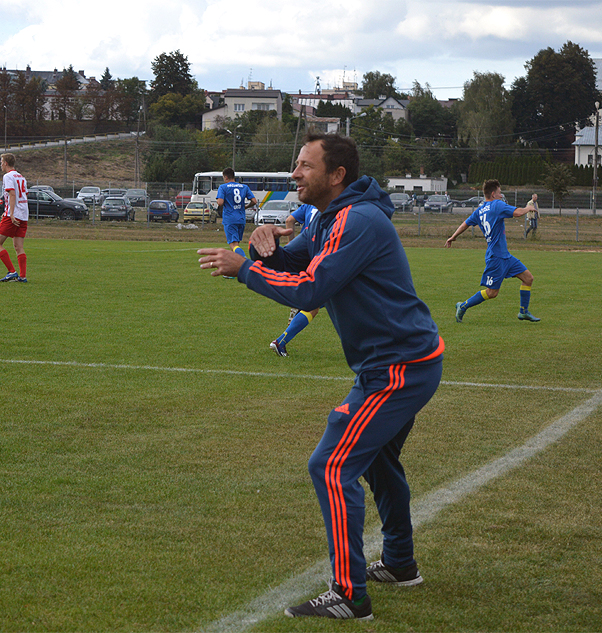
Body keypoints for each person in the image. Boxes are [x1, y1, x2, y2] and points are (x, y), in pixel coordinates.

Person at [198, 132, 443, 620]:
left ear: (337, 176)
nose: (295, 174)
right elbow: (296, 260)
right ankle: (399, 563)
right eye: (296, 164)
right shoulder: (334, 216)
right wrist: (264, 247)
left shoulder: (359, 220)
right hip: (405, 359)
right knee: (377, 463)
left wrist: (244, 269)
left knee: (331, 465)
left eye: (305, 166)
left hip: (398, 366)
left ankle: (350, 594)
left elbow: (312, 289)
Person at [446, 179, 540, 323]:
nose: (501, 195)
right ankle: (463, 305)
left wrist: (453, 237)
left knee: (528, 278)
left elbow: (464, 224)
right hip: (496, 257)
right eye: (499, 192)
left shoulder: (480, 210)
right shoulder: (496, 205)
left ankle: (523, 312)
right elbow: (517, 213)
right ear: (493, 194)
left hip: (505, 256)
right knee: (492, 293)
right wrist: (528, 208)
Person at [269, 203, 320, 357]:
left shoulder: (309, 205)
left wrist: (291, 242)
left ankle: (297, 305)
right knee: (315, 305)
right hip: (319, 257)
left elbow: (289, 220)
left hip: (302, 254)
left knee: (316, 304)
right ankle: (280, 341)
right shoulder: (336, 205)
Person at [0, 153, 29, 282]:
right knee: (18, 246)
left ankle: (12, 271)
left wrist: (11, 213)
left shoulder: (8, 176)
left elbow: (12, 195)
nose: (1, 165)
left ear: (6, 163)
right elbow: (23, 196)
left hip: (13, 215)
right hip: (24, 214)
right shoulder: (21, 177)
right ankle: (23, 276)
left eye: (1, 162)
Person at [215, 167, 257, 262]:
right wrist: (245, 207)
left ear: (225, 177)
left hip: (230, 219)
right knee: (236, 244)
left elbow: (220, 203)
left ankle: (245, 261)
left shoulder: (223, 187)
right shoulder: (244, 187)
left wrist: (219, 199)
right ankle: (235, 271)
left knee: (233, 245)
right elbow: (254, 201)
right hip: (241, 219)